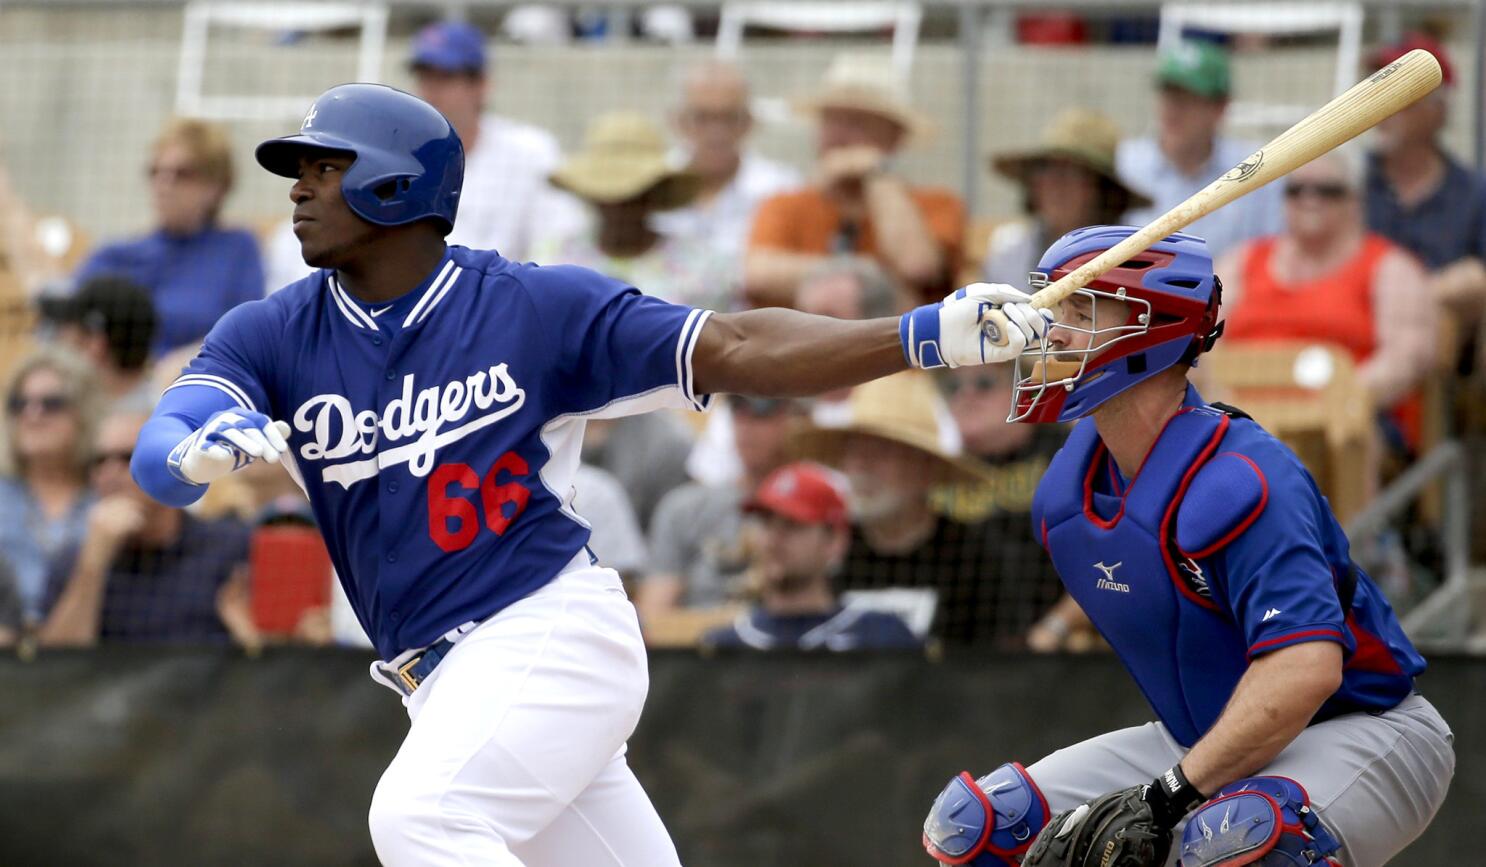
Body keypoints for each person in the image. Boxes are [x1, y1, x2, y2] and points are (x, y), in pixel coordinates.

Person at [127, 83, 1043, 867]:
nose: (296, 188)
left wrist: (920, 335)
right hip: (448, 681)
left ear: (394, 182)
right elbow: (160, 446)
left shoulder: (531, 306)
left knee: (423, 815)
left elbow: (736, 344)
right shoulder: (272, 331)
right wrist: (189, 450)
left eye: (324, 166)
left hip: (544, 631)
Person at [921, 226, 1452, 867]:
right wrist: (1175, 786)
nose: (1053, 332)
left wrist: (1170, 795)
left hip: (1366, 729)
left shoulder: (1240, 478)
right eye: (1054, 309)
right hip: (1204, 740)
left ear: (1156, 327)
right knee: (982, 825)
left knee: (1248, 838)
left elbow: (1307, 670)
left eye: (1081, 309)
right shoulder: (1067, 488)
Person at [262, 20, 585, 290]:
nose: (431, 90)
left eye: (446, 77)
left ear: (481, 84)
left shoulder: (528, 150)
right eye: (424, 77)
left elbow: (559, 247)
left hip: (495, 309)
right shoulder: (393, 156)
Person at [1217, 148, 1436, 445]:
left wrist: (1323, 409)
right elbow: (1199, 348)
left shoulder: (1390, 268)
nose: (1309, 199)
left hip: (1344, 425)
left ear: (1355, 200)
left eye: (1327, 191)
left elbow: (1405, 359)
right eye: (1296, 191)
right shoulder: (1239, 263)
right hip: (1236, 418)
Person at [792, 373, 1008, 646]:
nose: (861, 468)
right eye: (854, 452)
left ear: (925, 468)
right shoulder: (829, 555)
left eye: (881, 452)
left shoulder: (976, 559)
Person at [746, 54, 966, 307]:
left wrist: (878, 174)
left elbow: (916, 266)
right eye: (831, 119)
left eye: (857, 122)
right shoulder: (786, 203)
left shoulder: (938, 203)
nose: (839, 133)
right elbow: (758, 275)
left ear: (895, 135)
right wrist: (865, 271)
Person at [37, 410, 255, 647]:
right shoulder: (75, 562)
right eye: (99, 461)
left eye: (127, 457)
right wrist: (92, 568)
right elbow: (57, 672)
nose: (109, 473)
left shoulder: (230, 548)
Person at [75, 117, 262, 356]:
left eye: (181, 174)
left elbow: (247, 336)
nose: (163, 184)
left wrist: (185, 361)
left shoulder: (237, 249)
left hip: (201, 381)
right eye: (155, 172)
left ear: (216, 186)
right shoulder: (116, 255)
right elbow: (62, 315)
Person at [702, 462, 921, 651]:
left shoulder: (882, 636)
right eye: (766, 523)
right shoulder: (724, 645)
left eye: (793, 525)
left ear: (835, 541)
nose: (774, 539)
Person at [535, 112, 737, 312]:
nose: (621, 207)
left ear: (654, 193)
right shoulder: (553, 260)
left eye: (635, 195)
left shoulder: (702, 269)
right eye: (608, 193)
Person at [1364, 35, 1486, 360]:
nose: (1381, 108)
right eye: (1374, 93)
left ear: (1437, 110)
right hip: (1350, 334)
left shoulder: (1473, 192)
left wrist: (1420, 295)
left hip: (1435, 350)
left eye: (1398, 96)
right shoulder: (1345, 185)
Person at [932, 364, 1068, 647]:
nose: (966, 395)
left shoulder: (1067, 451)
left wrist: (1057, 627)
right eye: (952, 388)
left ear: (1024, 388)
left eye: (984, 383)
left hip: (1061, 648)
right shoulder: (935, 470)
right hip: (966, 651)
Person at [639, 395, 806, 622]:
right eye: (737, 410)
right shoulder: (686, 508)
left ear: (795, 418)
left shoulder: (815, 507)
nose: (746, 425)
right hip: (698, 649)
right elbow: (653, 617)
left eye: (763, 413)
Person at [1117, 40, 1283, 260]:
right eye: (1168, 95)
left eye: (1187, 99)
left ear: (1220, 107)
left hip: (1227, 292)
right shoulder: (1124, 163)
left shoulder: (1255, 171)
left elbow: (1272, 256)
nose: (1173, 109)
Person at [652, 60, 800, 267]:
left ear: (749, 122)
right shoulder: (652, 184)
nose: (716, 132)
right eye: (702, 118)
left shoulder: (782, 189)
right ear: (678, 121)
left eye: (730, 118)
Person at [983, 108, 1150, 286]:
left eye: (1072, 173)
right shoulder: (1009, 259)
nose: (1055, 185)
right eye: (1046, 169)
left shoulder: (1133, 265)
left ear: (1104, 192)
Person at [0, 346, 100, 623]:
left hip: (93, 655)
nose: (33, 415)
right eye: (19, 404)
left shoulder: (106, 493)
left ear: (85, 412)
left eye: (51, 404)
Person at [40, 275, 160, 413]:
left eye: (72, 343)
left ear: (95, 344)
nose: (58, 341)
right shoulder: (166, 411)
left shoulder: (113, 427)